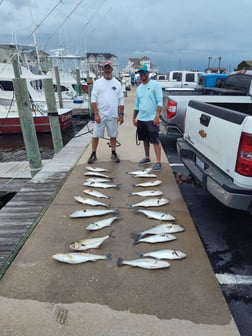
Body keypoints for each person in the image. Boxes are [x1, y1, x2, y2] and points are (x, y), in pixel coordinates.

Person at [87, 60, 124, 164]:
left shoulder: (117, 83)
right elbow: (93, 99)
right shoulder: (98, 83)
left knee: (113, 135)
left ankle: (113, 152)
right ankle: (93, 153)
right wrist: (96, 114)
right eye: (105, 68)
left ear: (112, 69)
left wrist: (121, 115)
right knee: (95, 135)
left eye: (109, 68)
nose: (107, 70)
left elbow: (121, 100)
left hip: (113, 115)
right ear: (103, 70)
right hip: (101, 115)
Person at [133, 64, 163, 171]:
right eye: (140, 73)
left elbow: (160, 102)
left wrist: (157, 116)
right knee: (145, 140)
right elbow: (136, 105)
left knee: (155, 140)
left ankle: (159, 161)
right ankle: (147, 157)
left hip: (152, 118)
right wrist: (134, 118)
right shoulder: (139, 88)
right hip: (141, 118)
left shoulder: (155, 85)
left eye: (143, 73)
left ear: (148, 73)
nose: (142, 75)